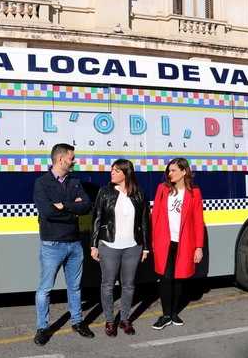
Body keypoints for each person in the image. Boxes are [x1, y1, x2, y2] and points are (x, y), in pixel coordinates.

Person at [32, 143, 94, 346]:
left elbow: (86, 206)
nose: (74, 161)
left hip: (74, 244)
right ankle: (43, 328)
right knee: (45, 289)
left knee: (74, 287)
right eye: (71, 158)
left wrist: (65, 206)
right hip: (52, 245)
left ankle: (77, 322)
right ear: (60, 159)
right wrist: (72, 209)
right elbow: (48, 213)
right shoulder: (42, 183)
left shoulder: (74, 182)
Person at [90, 159, 149, 337]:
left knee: (129, 285)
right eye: (112, 170)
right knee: (108, 285)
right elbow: (97, 218)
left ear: (126, 173)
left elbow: (145, 222)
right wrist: (94, 245)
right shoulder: (105, 192)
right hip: (109, 245)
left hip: (133, 246)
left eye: (116, 171)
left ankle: (125, 319)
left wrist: (145, 247)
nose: (112, 173)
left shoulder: (138, 194)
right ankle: (109, 321)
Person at [150, 157, 204, 330]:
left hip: (184, 243)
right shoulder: (163, 189)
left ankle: (174, 313)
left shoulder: (194, 192)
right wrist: (152, 241)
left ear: (184, 172)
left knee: (179, 278)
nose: (169, 173)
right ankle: (165, 315)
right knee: (165, 278)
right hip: (164, 242)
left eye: (173, 170)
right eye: (169, 170)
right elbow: (155, 215)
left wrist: (198, 247)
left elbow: (198, 221)